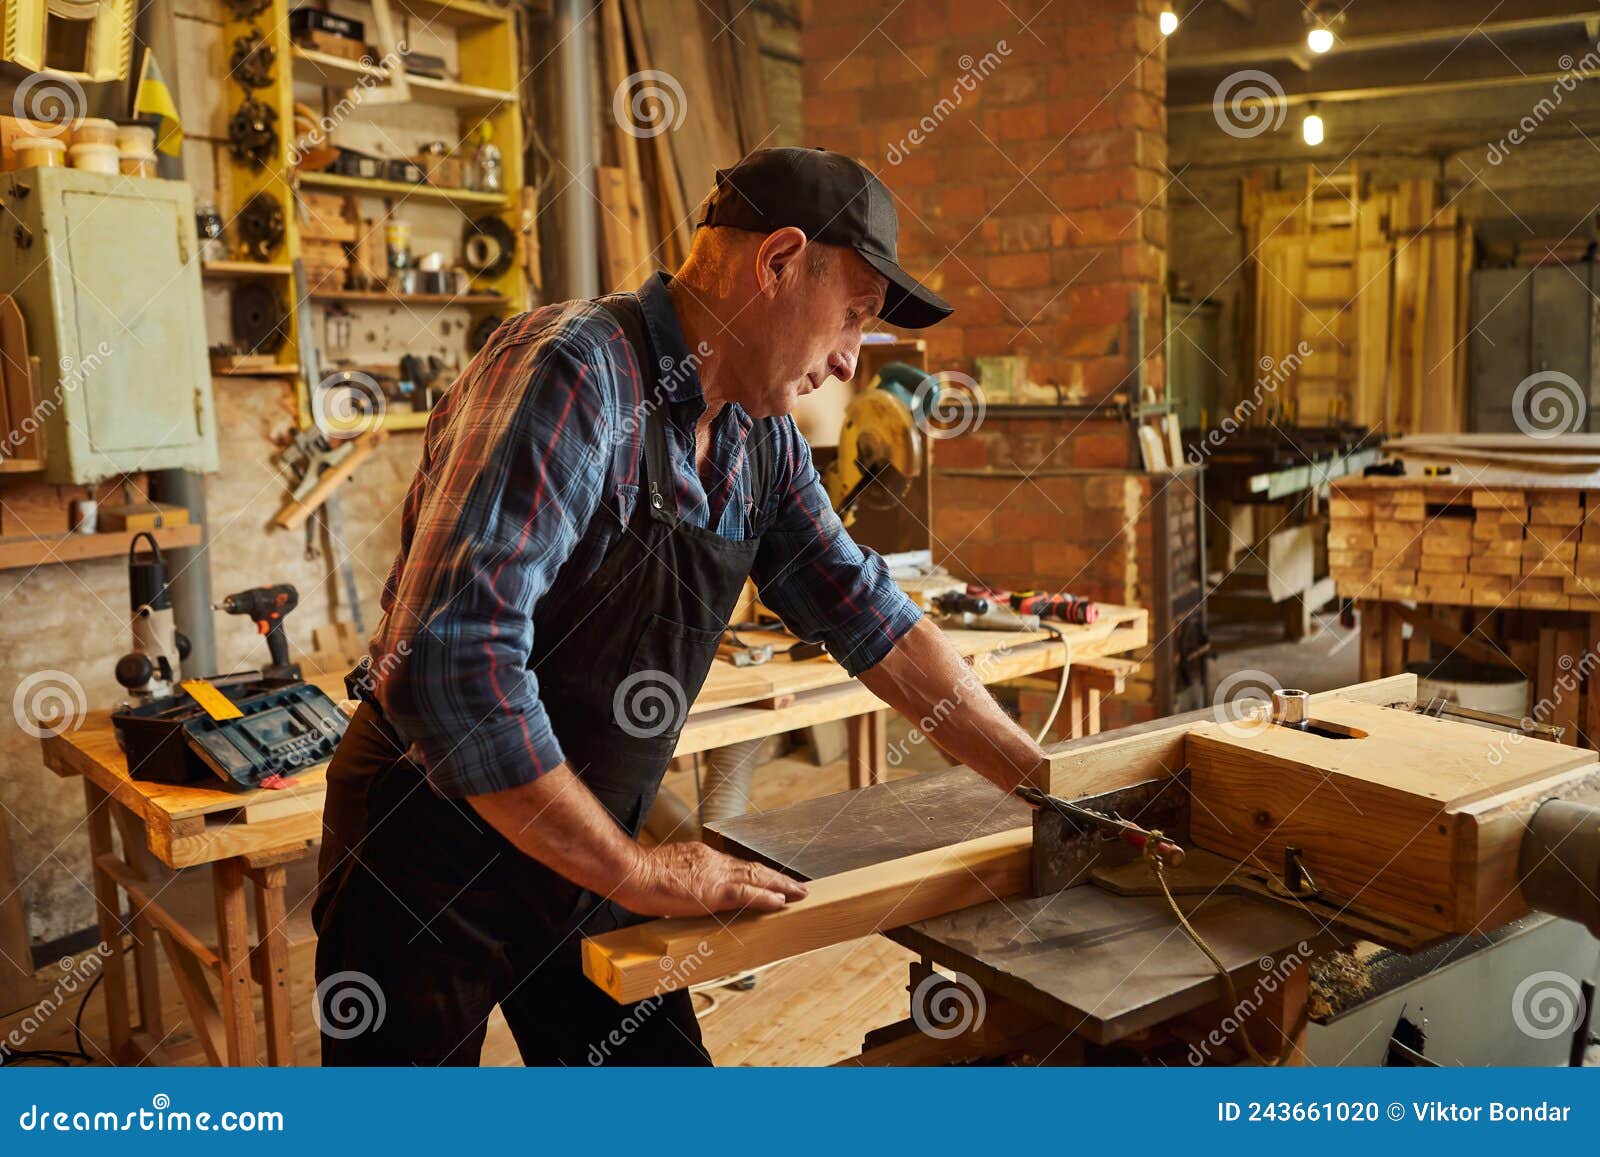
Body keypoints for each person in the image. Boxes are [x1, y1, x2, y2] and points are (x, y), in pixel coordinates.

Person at [312, 147, 1048, 1065]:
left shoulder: (760, 437)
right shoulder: (575, 372)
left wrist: (1046, 785)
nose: (850, 361)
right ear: (778, 263)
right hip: (427, 839)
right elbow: (450, 662)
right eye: (853, 316)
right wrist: (636, 870)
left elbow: (870, 614)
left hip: (581, 827)